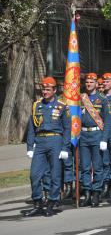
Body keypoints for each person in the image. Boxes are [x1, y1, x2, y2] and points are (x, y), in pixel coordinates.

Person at [26, 77, 70, 217]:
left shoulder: (61, 107)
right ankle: (38, 203)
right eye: (43, 89)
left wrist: (65, 147)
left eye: (47, 89)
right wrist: (29, 147)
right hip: (40, 142)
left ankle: (52, 202)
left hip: (55, 141)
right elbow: (32, 128)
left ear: (54, 90)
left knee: (55, 174)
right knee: (34, 175)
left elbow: (67, 129)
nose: (44, 92)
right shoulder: (36, 106)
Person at [79, 73, 111, 207]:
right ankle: (87, 194)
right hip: (83, 135)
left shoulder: (102, 99)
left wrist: (104, 139)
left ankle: (96, 193)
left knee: (97, 167)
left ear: (96, 84)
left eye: (91, 82)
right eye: (87, 82)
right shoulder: (80, 98)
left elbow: (108, 120)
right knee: (85, 167)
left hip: (97, 135)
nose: (89, 84)